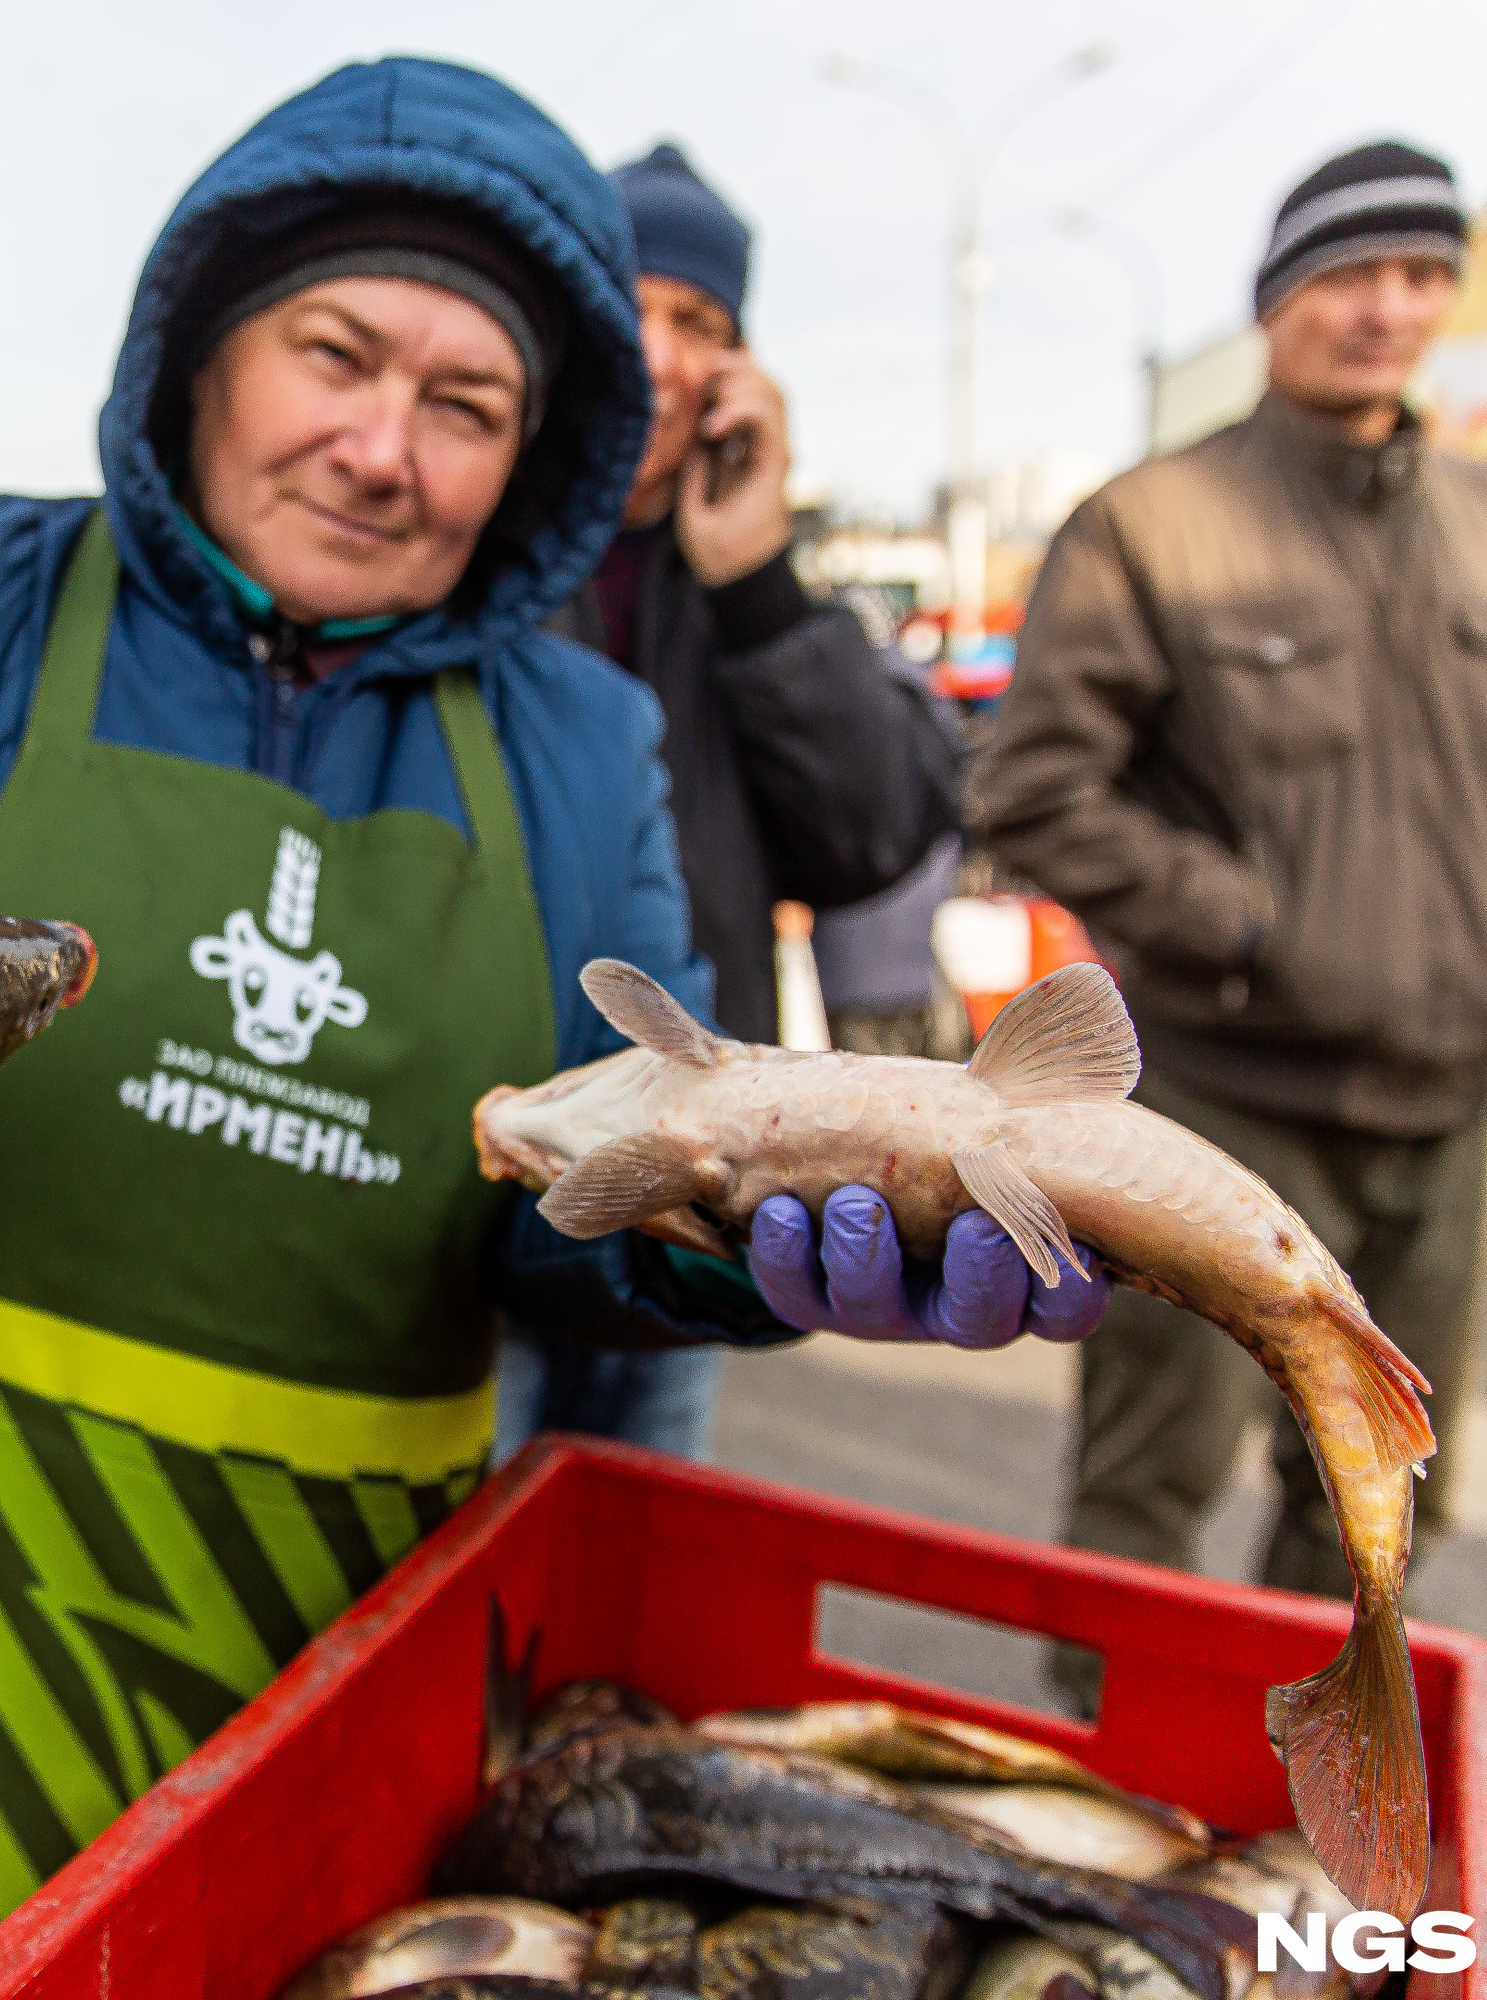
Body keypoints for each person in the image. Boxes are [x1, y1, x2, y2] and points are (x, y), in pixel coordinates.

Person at [0, 61, 1108, 1995]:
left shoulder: (581, 747)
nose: (383, 449)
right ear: (202, 347)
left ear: (539, 458)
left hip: (297, 1729)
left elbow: (557, 1222)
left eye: (466, 406)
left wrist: (755, 1251)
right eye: (334, 354)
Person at [971, 141, 1487, 1698]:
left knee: (1385, 1491)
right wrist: (1257, 926)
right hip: (1222, 1110)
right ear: (1277, 303)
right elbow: (1036, 790)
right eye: (1348, 274)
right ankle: (1117, 1769)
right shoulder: (1156, 524)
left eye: (1420, 275)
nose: (1386, 308)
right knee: (1151, 1479)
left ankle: (1287, 1783)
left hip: (1454, 1109)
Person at [497, 142, 969, 1463]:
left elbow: (873, 835)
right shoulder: (474, 546)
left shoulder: (752, 583)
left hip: (692, 1199)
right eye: (627, 303)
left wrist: (759, 578)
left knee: (644, 1586)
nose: (656, 353)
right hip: (482, 1175)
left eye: (697, 323)